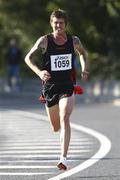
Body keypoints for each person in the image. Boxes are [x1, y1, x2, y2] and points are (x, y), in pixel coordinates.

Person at [25, 9, 89, 170]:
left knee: (65, 117)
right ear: (51, 23)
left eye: (61, 23)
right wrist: (39, 72)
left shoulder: (73, 41)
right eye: (55, 22)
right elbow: (28, 58)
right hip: (50, 88)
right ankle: (60, 134)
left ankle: (63, 158)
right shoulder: (44, 41)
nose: (58, 25)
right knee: (55, 127)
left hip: (67, 86)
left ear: (65, 24)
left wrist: (84, 68)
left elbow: (82, 53)